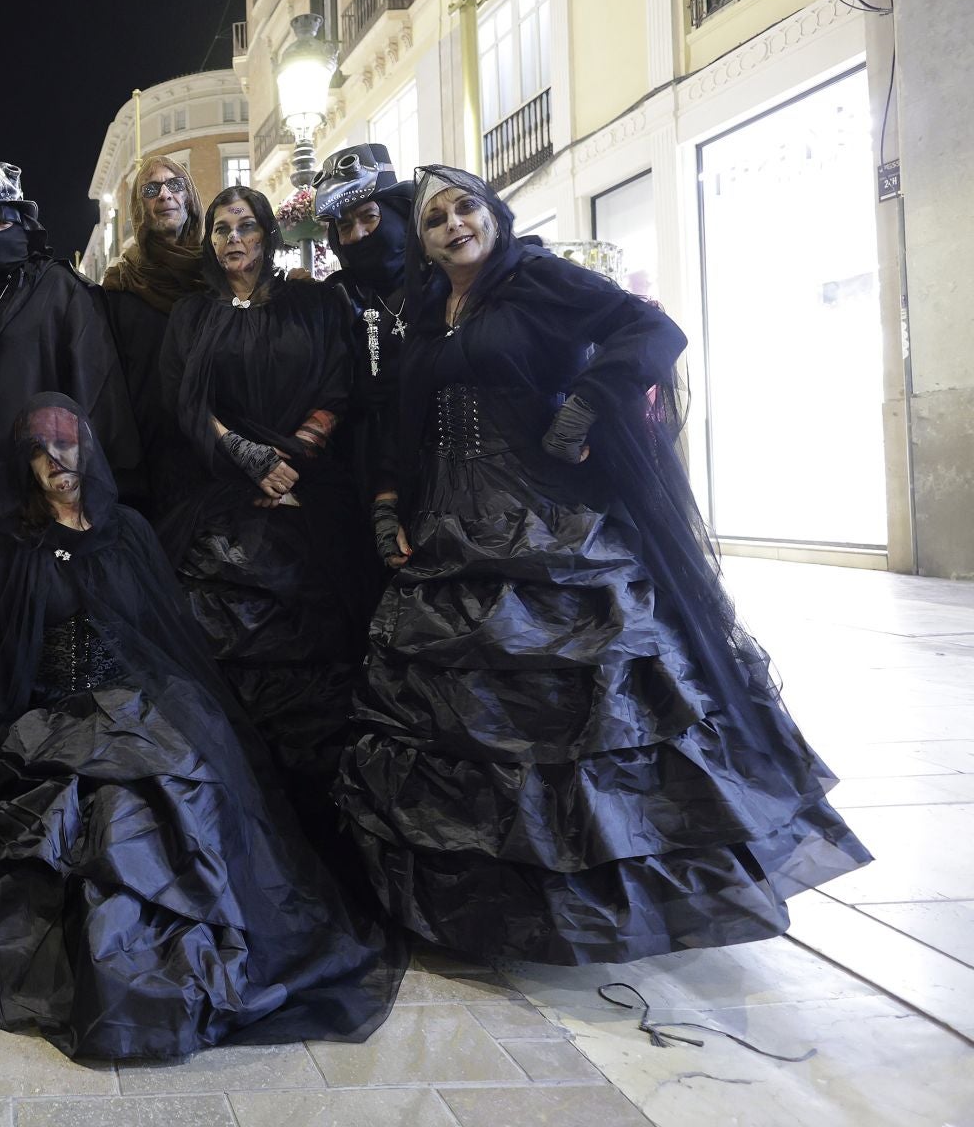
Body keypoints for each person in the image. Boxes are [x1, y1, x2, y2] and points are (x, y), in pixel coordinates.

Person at [337, 164, 872, 964]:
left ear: (494, 215)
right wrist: (388, 506)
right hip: (449, 524)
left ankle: (596, 902)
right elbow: (403, 421)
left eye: (465, 208)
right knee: (470, 720)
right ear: (422, 241)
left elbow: (651, 331)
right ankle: (496, 904)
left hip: (544, 517)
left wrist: (586, 403)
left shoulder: (538, 279)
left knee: (574, 710)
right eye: (436, 218)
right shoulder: (426, 311)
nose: (453, 225)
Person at [0, 394, 402, 1061]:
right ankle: (121, 975)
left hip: (139, 701)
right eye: (41, 449)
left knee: (185, 783)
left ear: (89, 448)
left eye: (68, 443)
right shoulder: (13, 541)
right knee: (103, 812)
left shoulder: (130, 532)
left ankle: (189, 955)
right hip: (57, 716)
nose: (58, 460)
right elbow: (0, 649)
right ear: (25, 463)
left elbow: (165, 636)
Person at [159, 186, 373, 826]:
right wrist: (248, 458)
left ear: (266, 234)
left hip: (311, 494)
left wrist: (292, 463)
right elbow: (186, 407)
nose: (231, 239)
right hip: (223, 496)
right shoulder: (191, 315)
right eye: (220, 228)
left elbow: (341, 385)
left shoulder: (314, 301)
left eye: (244, 226)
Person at [0, 161, 137, 517]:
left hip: (52, 492)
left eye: (4, 223)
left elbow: (97, 393)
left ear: (23, 227)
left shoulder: (64, 290)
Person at [315, 144, 417, 540]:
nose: (358, 235)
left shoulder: (445, 282)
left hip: (450, 468)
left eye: (369, 218)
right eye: (344, 226)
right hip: (364, 470)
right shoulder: (336, 299)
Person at [99, 155, 209, 520]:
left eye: (175, 184)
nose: (165, 195)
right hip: (149, 456)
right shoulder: (121, 286)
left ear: (189, 196)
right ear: (139, 207)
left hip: (216, 449)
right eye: (151, 189)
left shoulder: (218, 277)